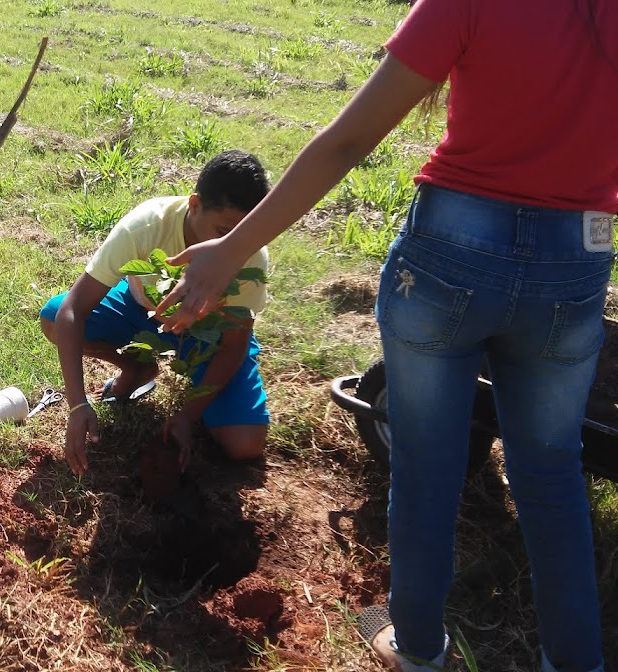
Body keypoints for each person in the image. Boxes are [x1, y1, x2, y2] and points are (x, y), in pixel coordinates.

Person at [156, 1, 617, 671]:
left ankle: (417, 649)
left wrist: (231, 249)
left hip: (452, 251)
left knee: (428, 467)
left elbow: (347, 142)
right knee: (550, 473)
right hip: (576, 256)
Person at [40, 150, 272, 476]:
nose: (232, 244)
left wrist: (187, 415)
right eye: (223, 231)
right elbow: (72, 309)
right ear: (194, 205)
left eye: (244, 233)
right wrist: (78, 405)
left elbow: (233, 344)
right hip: (143, 312)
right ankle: (138, 368)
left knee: (245, 443)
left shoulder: (250, 254)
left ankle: (207, 400)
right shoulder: (148, 225)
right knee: (53, 317)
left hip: (211, 333)